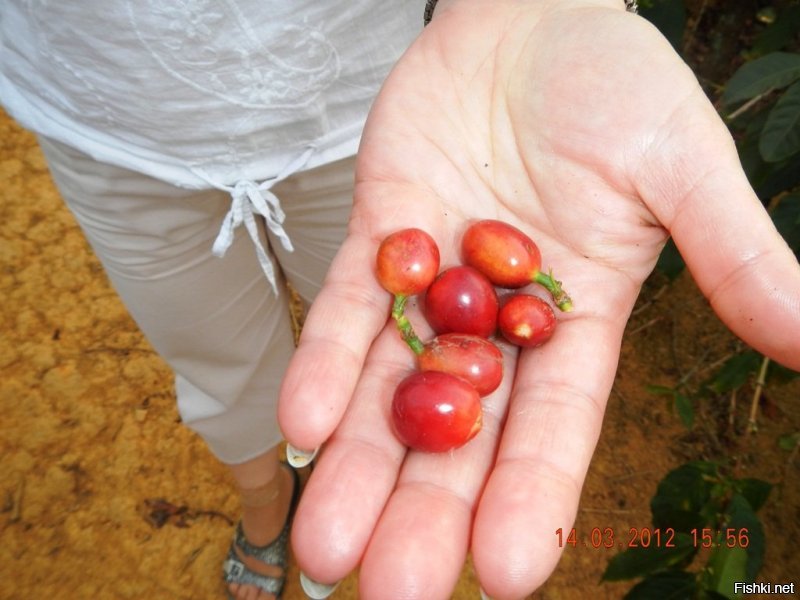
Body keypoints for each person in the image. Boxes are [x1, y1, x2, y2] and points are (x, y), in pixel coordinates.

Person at [2, 1, 799, 600]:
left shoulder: (440, 263)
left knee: (350, 352)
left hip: (388, 106)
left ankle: (291, 492)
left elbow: (440, 324)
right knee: (219, 362)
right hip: (104, 119)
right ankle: (264, 504)